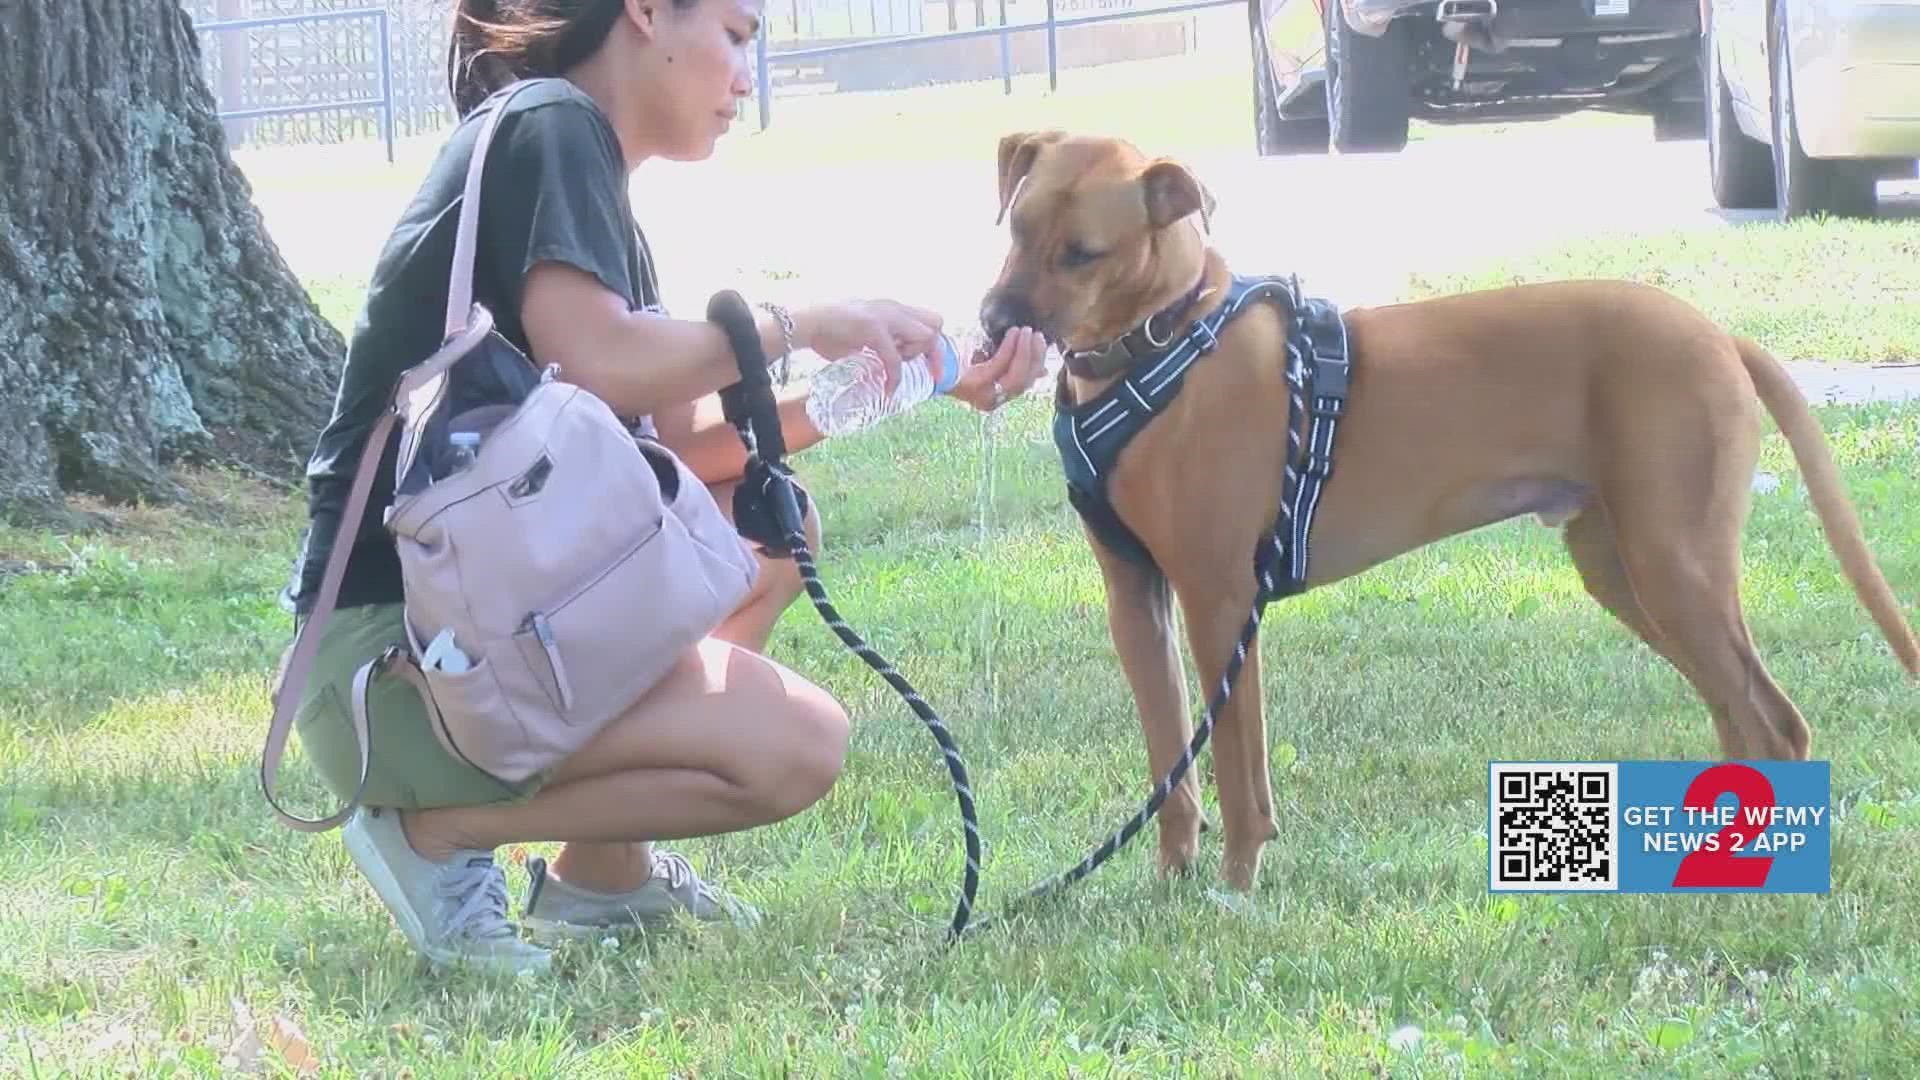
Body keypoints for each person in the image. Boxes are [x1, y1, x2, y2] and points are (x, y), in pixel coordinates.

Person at [277, 0, 1050, 975]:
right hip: (392, 671)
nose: (743, 75)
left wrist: (922, 377)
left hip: (447, 646)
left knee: (763, 531)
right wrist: (799, 321)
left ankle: (604, 873)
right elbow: (600, 359)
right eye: (733, 34)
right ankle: (437, 833)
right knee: (798, 746)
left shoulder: (577, 169)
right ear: (646, 13)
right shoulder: (550, 126)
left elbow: (691, 455)